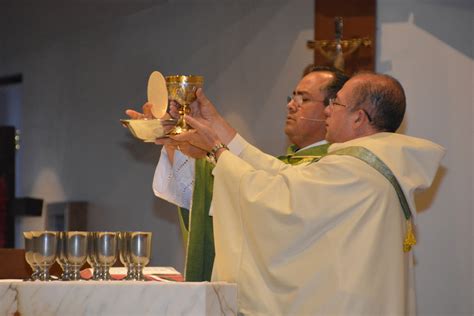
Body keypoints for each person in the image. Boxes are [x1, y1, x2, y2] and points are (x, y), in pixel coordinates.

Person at [164, 72, 446, 315]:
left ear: (359, 118)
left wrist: (215, 149)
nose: (327, 110)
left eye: (336, 103)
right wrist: (216, 125)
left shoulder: (355, 172)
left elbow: (277, 198)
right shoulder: (367, 165)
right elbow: (282, 176)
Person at [145, 66, 349, 281]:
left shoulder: (331, 168)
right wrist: (174, 136)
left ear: (331, 109)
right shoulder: (286, 164)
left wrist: (214, 147)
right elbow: (203, 194)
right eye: (292, 97)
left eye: (303, 99)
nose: (290, 105)